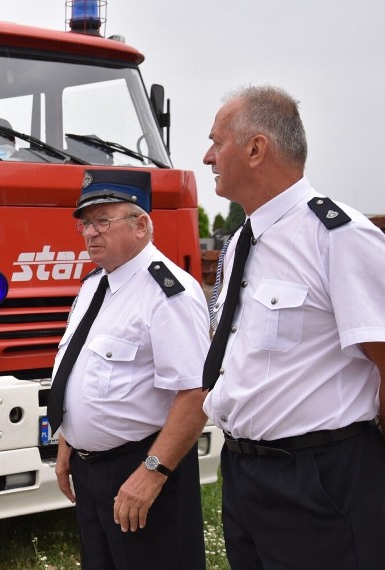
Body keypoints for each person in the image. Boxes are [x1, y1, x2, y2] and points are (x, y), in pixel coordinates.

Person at [202, 85, 385, 568]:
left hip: (320, 480)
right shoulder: (242, 241)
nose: (207, 157)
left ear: (256, 148)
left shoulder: (337, 236)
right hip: (244, 476)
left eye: (217, 142)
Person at [51, 169, 209, 569]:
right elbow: (82, 370)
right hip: (92, 472)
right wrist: (70, 441)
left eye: (102, 221)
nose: (90, 233)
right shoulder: (94, 286)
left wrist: (152, 473)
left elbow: (194, 394)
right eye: (85, 223)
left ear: (141, 225)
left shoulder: (167, 292)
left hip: (141, 468)